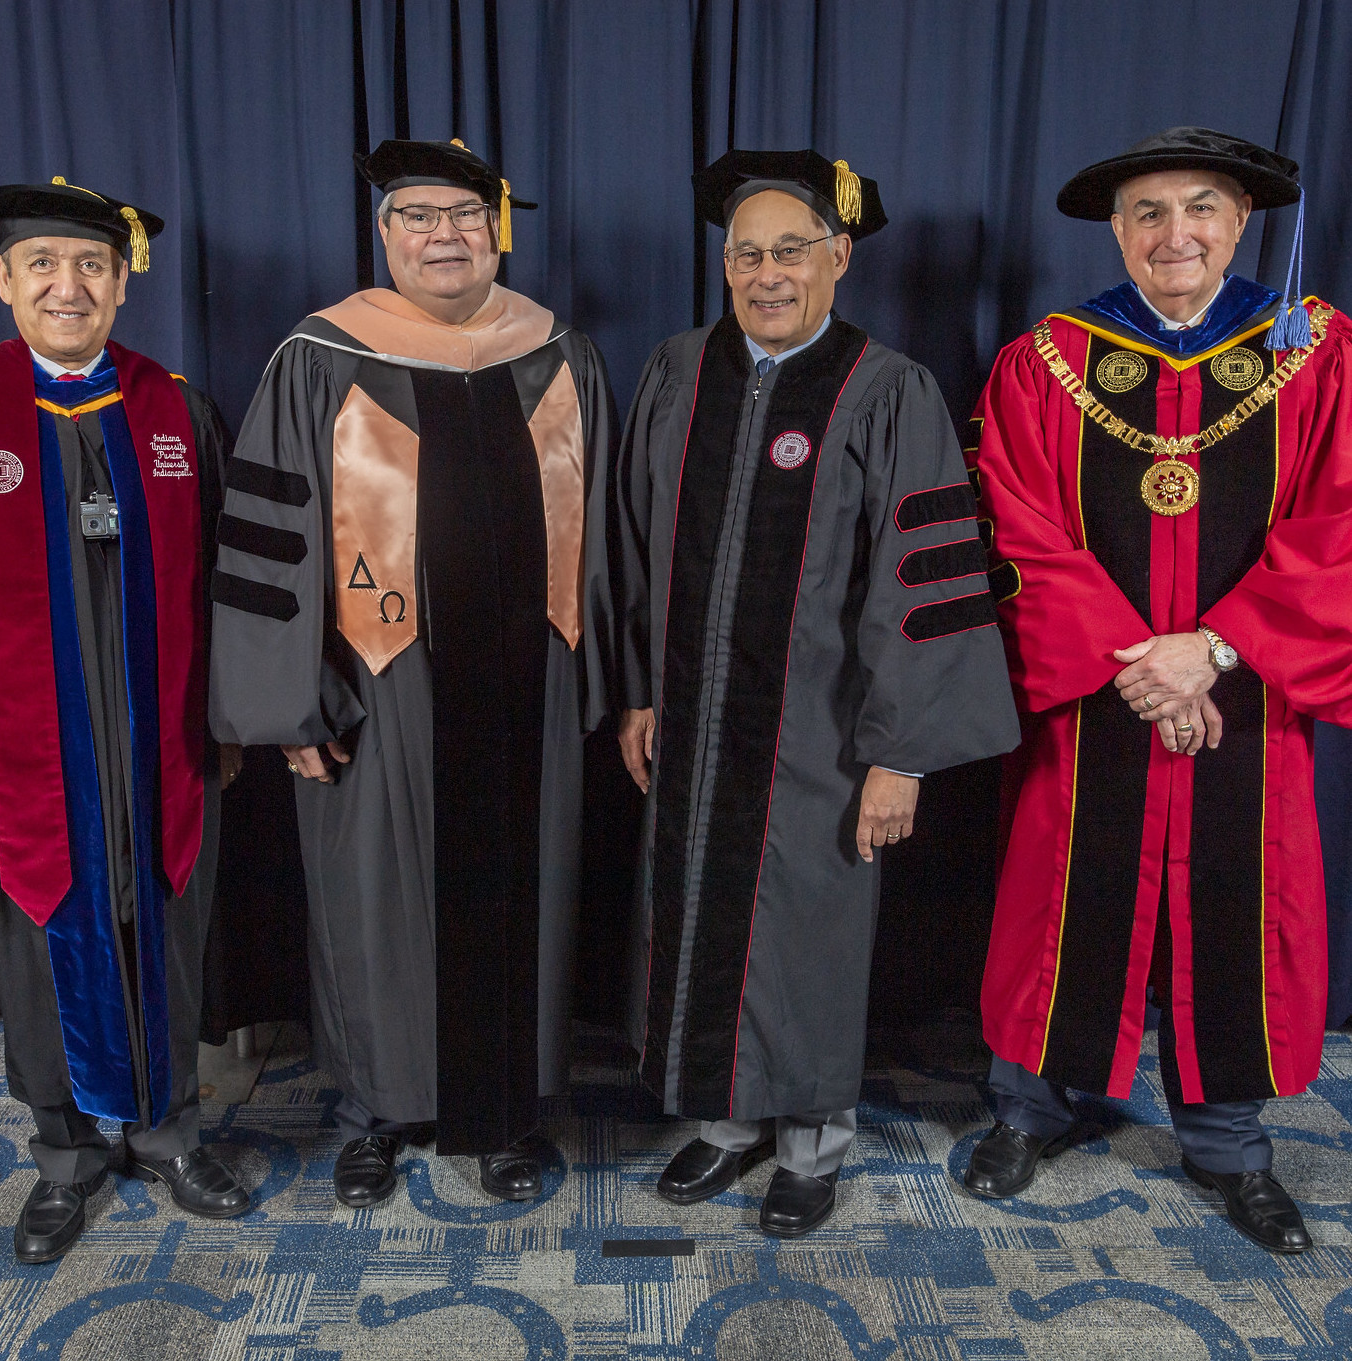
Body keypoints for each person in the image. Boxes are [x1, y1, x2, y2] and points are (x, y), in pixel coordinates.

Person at [614, 149, 1019, 1238]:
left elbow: (919, 584)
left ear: (838, 259)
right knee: (697, 910)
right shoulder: (676, 370)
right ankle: (729, 1116)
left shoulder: (885, 390)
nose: (766, 271)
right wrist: (640, 693)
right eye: (746, 252)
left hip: (824, 735)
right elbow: (637, 551)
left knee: (811, 927)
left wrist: (901, 754)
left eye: (791, 249)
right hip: (692, 722)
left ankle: (811, 1139)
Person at [964, 128, 1352, 1254]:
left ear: (1241, 223)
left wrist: (1214, 649)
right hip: (1096, 700)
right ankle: (1027, 1110)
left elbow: (1341, 521)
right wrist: (1139, 662)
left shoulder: (1317, 353)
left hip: (1248, 700)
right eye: (1145, 212)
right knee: (1057, 890)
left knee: (1240, 896)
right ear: (1114, 229)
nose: (1171, 234)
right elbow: (1013, 527)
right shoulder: (1049, 362)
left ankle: (1229, 1142)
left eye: (1199, 209)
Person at [208, 139, 614, 1207]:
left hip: (535, 685)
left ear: (497, 229)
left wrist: (614, 679)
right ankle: (375, 1111)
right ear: (385, 234)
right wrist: (285, 699)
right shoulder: (320, 354)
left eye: (464, 215)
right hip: (377, 689)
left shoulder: (558, 351)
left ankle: (510, 1111)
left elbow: (614, 533)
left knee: (521, 896)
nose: (444, 234)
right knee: (374, 905)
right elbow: (269, 544)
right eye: (419, 216)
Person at [0, 179, 249, 1263]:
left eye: (93, 265)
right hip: (21, 756)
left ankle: (168, 1132)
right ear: (4, 278)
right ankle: (64, 1157)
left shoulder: (175, 409)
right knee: (36, 936)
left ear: (122, 280)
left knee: (162, 925)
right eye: (45, 265)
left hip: (163, 752)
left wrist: (230, 716)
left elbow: (226, 582)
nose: (70, 285)